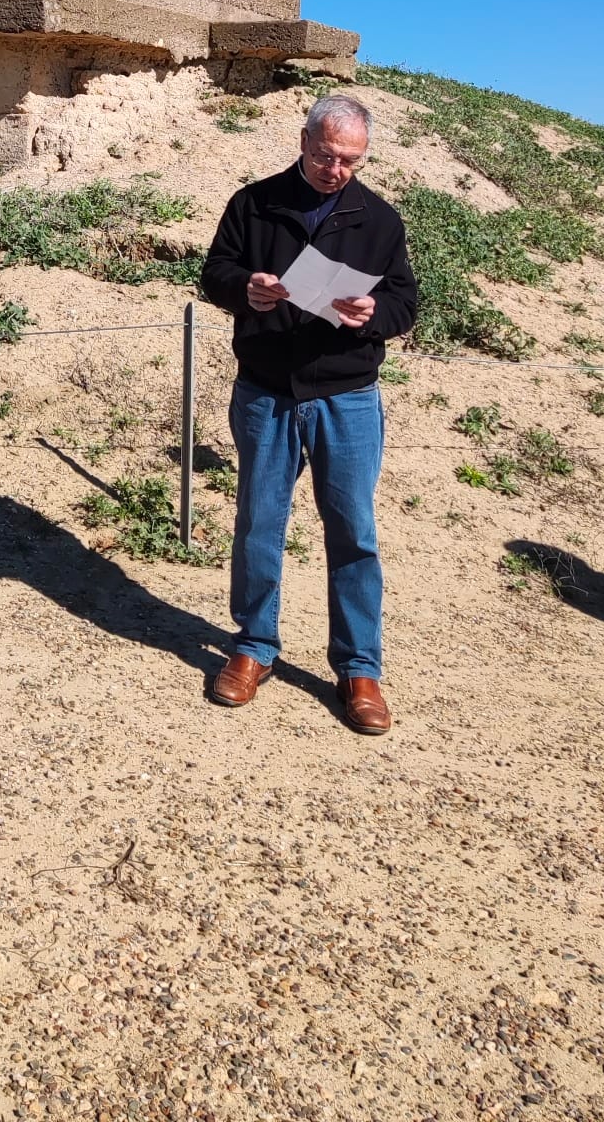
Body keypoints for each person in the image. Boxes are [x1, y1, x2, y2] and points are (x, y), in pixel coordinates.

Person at [198, 91, 417, 734]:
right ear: (304, 140)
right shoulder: (253, 202)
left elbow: (404, 304)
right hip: (266, 390)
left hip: (348, 397)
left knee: (353, 532)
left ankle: (359, 668)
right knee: (259, 523)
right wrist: (246, 289)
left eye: (350, 160)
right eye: (326, 155)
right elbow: (215, 272)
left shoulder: (380, 220)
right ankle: (253, 647)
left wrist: (374, 314)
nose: (335, 170)